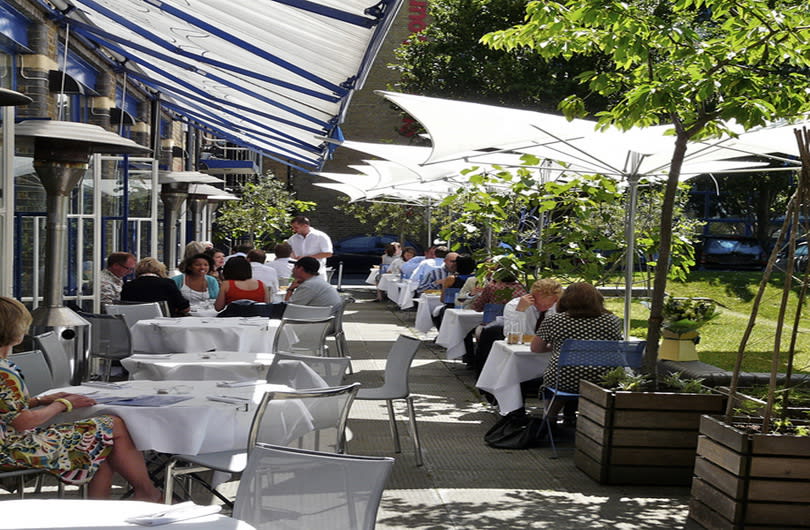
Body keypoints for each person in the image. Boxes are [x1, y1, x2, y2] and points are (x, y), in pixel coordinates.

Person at [0, 296, 160, 501]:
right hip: (13, 449)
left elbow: (6, 409)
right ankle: (148, 493)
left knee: (101, 444)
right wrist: (63, 404)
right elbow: (22, 421)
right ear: (14, 330)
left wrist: (39, 401)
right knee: (114, 426)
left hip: (9, 442)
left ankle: (107, 509)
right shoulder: (5, 372)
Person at [532, 282, 623, 423]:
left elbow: (536, 348)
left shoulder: (554, 320)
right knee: (581, 375)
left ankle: (550, 417)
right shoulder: (612, 321)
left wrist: (556, 346)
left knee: (562, 378)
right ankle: (579, 420)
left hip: (563, 380)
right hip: (602, 380)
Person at [472, 278, 563, 375]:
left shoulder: (558, 307)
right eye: (539, 303)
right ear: (531, 296)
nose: (543, 308)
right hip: (521, 354)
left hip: (547, 355)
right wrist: (520, 311)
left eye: (548, 305)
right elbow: (512, 336)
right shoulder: (514, 305)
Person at [121, 258, 190, 317]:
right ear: (160, 270)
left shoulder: (127, 286)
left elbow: (124, 308)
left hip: (136, 325)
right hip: (164, 325)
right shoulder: (168, 283)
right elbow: (184, 308)